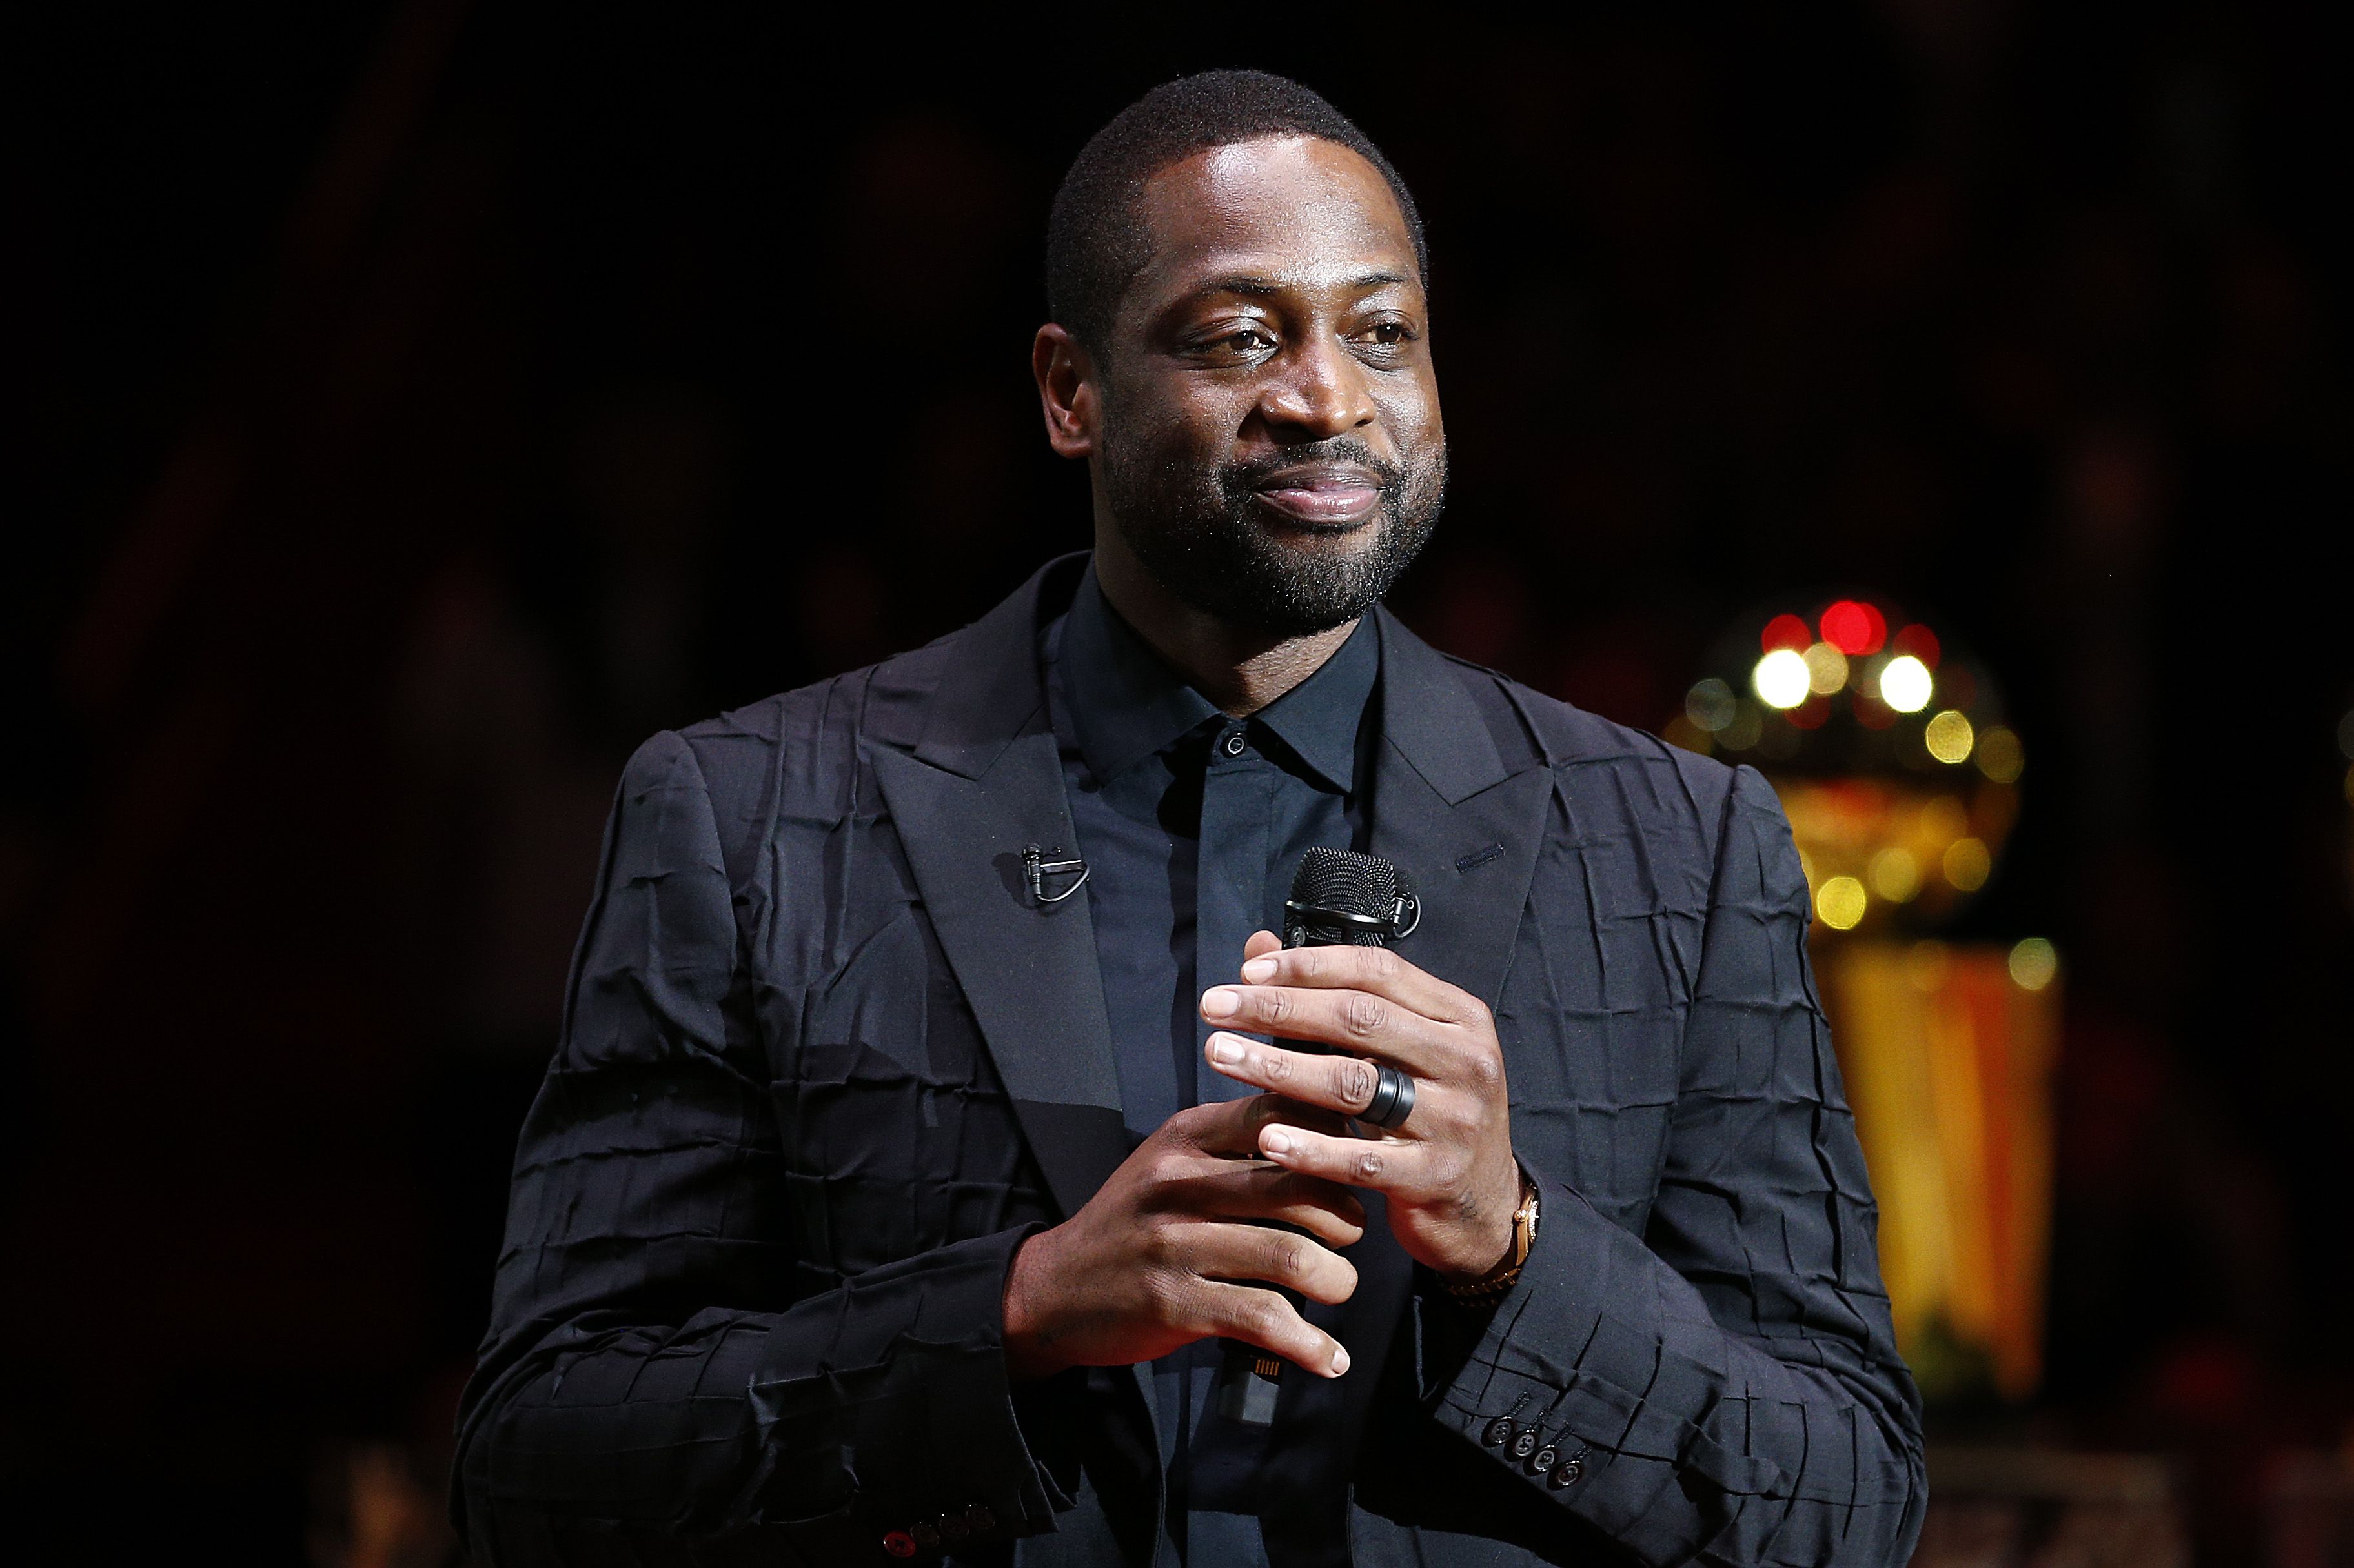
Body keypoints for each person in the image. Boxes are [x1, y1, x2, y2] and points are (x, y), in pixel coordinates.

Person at [454, 70, 1925, 1567]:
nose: (1325, 396)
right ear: (1069, 393)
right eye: (1240, 336)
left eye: (1382, 333)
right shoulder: (751, 821)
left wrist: (1511, 1244)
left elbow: (1848, 1506)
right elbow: (542, 1467)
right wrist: (1018, 1313)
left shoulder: (1682, 846)